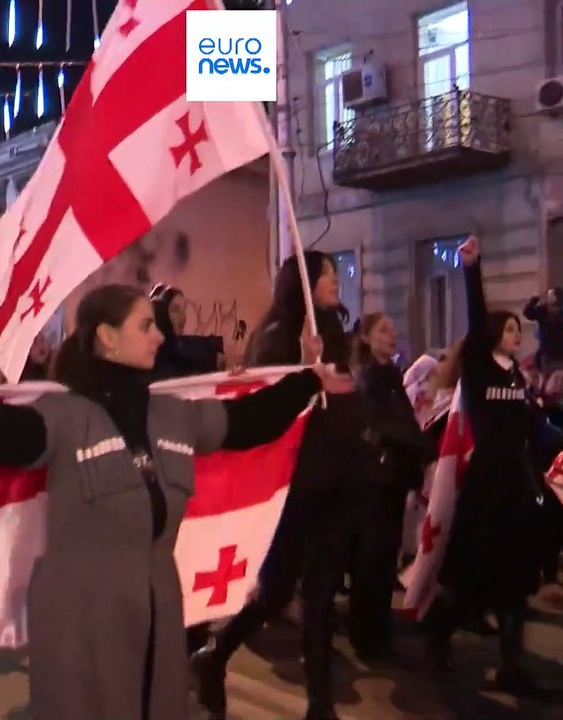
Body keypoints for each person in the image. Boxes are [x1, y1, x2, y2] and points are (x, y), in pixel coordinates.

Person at [0, 283, 352, 720]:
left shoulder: (171, 415)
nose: (158, 335)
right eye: (145, 325)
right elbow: (9, 435)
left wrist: (308, 381)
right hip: (82, 620)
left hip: (158, 611)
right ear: (107, 338)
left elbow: (248, 421)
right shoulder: (65, 416)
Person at [195, 251, 368, 720]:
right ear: (304, 282)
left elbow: (345, 398)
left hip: (337, 478)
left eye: (334, 273)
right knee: (276, 591)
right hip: (299, 483)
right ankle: (217, 653)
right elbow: (271, 408)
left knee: (320, 593)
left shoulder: (331, 332)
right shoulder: (280, 337)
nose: (335, 280)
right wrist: (305, 370)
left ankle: (319, 704)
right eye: (326, 274)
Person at [424, 236, 556, 693]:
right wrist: (471, 269)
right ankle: (438, 633)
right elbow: (478, 319)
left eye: (520, 330)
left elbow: (533, 427)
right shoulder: (481, 367)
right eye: (511, 329)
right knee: (473, 575)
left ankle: (512, 665)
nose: (517, 335)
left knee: (516, 578)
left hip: (517, 482)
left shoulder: (517, 377)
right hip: (487, 486)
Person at [348, 313, 434, 661]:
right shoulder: (371, 379)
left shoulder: (389, 376)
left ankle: (376, 633)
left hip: (392, 479)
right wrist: (425, 448)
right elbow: (390, 426)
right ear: (367, 338)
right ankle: (369, 639)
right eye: (383, 331)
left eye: (392, 329)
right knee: (374, 560)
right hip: (378, 481)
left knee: (384, 560)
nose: (392, 334)